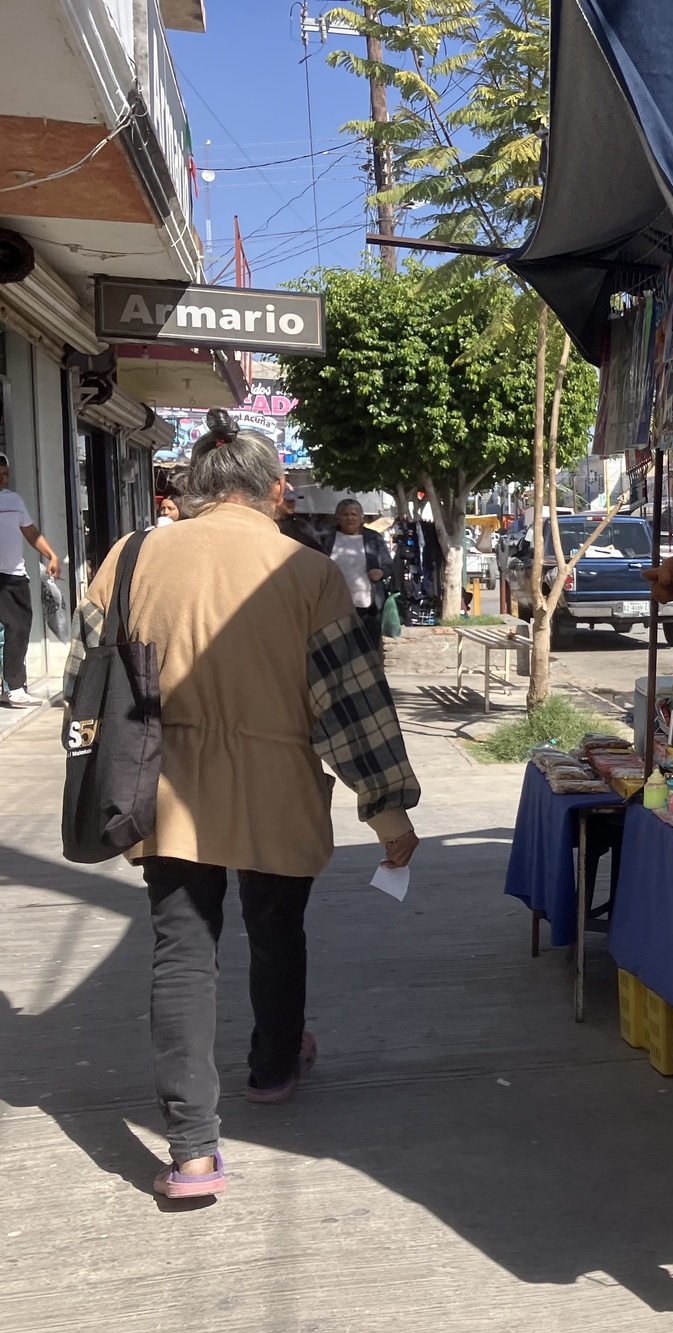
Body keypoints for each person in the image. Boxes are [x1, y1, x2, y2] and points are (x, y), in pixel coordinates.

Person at [65, 408, 421, 1202]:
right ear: (276, 490)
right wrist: (388, 812)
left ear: (193, 485)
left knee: (182, 954)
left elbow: (81, 679)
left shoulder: (130, 557)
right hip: (276, 786)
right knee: (276, 931)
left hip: (161, 784)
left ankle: (192, 1152)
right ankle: (272, 1066)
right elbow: (350, 708)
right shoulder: (307, 573)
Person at [0, 450, 61, 708]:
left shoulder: (14, 501)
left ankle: (14, 688)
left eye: (6, 475)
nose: (3, 480)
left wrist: (52, 556)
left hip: (14, 577)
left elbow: (31, 533)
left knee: (19, 630)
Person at [329, 499, 391, 654]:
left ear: (361, 517)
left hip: (367, 607)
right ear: (338, 517)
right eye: (345, 514)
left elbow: (389, 564)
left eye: (354, 514)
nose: (349, 518)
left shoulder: (374, 538)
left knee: (369, 652)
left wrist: (381, 572)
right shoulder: (327, 538)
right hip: (335, 606)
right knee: (340, 653)